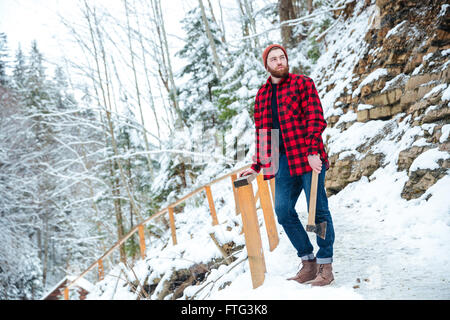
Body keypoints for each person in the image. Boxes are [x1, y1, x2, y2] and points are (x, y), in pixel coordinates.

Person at [239, 44, 335, 286]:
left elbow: (315, 117)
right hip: (283, 162)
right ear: (267, 65)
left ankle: (326, 264)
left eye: (282, 57)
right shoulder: (262, 94)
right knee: (283, 211)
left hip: (308, 156)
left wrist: (314, 151)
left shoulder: (303, 83)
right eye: (274, 59)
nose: (280, 61)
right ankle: (308, 261)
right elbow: (262, 132)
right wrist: (257, 165)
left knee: (318, 211)